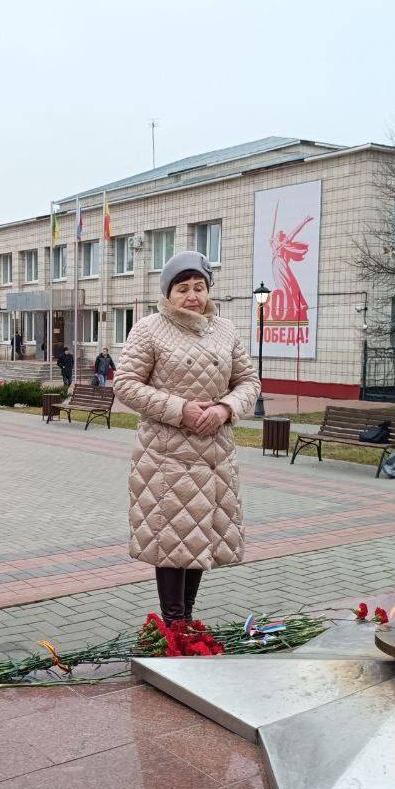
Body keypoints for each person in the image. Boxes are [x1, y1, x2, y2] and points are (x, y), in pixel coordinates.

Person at [113, 251, 260, 624]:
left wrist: (225, 408)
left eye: (199, 287)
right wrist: (181, 409)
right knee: (171, 540)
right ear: (168, 293)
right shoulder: (149, 328)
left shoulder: (225, 331)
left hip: (214, 453)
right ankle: (173, 624)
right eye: (182, 288)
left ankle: (187, 621)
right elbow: (126, 384)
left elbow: (248, 382)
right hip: (167, 455)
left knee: (200, 536)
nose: (192, 296)